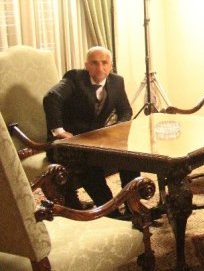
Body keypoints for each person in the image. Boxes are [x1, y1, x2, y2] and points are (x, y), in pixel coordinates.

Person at [44, 46, 139, 214]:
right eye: (94, 63)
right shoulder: (74, 78)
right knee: (88, 164)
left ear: (111, 65)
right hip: (67, 145)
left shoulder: (117, 82)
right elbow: (51, 98)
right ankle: (109, 210)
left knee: (130, 157)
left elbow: (125, 111)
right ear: (86, 65)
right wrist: (59, 131)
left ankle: (133, 207)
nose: (100, 68)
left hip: (95, 140)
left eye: (104, 63)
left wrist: (118, 129)